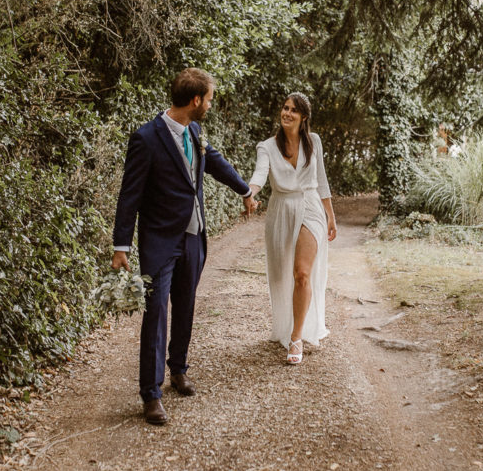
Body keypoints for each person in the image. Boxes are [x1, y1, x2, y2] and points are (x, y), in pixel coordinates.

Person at [111, 68, 258, 425]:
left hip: (194, 236)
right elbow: (129, 195)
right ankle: (151, 393)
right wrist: (121, 246)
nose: (210, 104)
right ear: (195, 100)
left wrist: (245, 189)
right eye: (208, 99)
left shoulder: (195, 130)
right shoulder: (146, 138)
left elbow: (215, 163)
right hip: (159, 241)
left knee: (187, 304)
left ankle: (178, 368)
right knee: (156, 312)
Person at [248, 92, 336, 365]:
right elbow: (260, 174)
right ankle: (287, 324)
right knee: (281, 274)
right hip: (281, 210)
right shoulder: (267, 146)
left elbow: (321, 181)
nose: (286, 113)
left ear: (304, 117)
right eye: (284, 108)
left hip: (310, 207)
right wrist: (249, 193)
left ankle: (296, 338)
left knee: (301, 273)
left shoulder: (314, 142)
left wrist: (330, 216)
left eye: (293, 110)